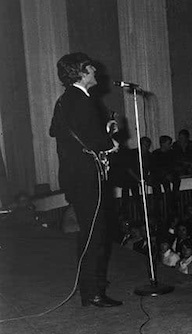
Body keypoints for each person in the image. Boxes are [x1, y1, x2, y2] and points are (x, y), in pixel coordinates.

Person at [49, 52, 122, 308]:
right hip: (86, 175)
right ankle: (93, 292)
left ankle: (89, 285)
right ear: (81, 72)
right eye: (91, 68)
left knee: (89, 231)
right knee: (96, 233)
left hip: (74, 176)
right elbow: (94, 139)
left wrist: (101, 131)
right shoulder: (81, 99)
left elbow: (56, 130)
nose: (95, 71)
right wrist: (108, 142)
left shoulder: (65, 100)